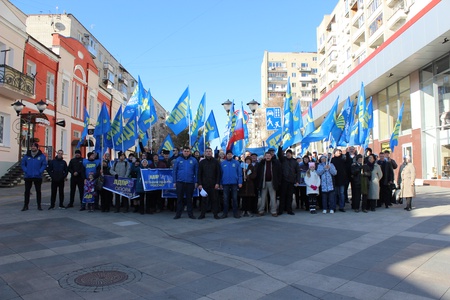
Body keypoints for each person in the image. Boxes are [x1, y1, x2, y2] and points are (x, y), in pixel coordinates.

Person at [173, 146, 198, 219]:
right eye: (185, 151)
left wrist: (196, 181)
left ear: (190, 152)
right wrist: (174, 181)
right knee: (179, 199)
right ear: (182, 151)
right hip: (180, 182)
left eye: (187, 151)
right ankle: (178, 214)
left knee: (189, 199)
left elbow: (196, 172)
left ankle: (190, 214)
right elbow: (174, 171)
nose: (186, 152)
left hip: (190, 182)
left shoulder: (194, 160)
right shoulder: (178, 160)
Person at [21, 142, 47, 211]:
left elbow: (44, 164)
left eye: (34, 146)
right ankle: (25, 205)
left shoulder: (41, 156)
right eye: (32, 146)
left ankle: (39, 205)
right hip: (28, 176)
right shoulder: (27, 156)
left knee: (38, 191)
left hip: (37, 176)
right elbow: (23, 164)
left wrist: (40, 171)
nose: (33, 148)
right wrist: (26, 170)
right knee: (27, 191)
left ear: (37, 148)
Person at [197, 147, 221, 219]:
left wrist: (217, 183)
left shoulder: (216, 161)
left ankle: (215, 214)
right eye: (207, 151)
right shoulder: (202, 162)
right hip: (204, 184)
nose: (208, 153)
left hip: (213, 184)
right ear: (205, 153)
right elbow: (199, 174)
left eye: (209, 151)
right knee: (204, 200)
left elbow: (218, 173)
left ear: (212, 153)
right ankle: (202, 214)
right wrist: (200, 184)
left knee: (214, 200)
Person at [256, 151, 281, 217]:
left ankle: (273, 211)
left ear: (271, 156)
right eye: (266, 156)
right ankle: (261, 210)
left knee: (273, 198)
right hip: (264, 182)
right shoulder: (261, 164)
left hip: (272, 182)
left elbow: (279, 173)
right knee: (263, 197)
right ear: (264, 157)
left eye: (269, 156)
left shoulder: (275, 163)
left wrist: (278, 182)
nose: (268, 157)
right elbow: (258, 174)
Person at [220, 150, 243, 219]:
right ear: (226, 155)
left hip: (234, 183)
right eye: (228, 154)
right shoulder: (222, 163)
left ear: (232, 155)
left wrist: (240, 182)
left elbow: (240, 174)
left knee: (235, 199)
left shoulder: (236, 163)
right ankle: (225, 213)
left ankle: (235, 213)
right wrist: (220, 183)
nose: (229, 155)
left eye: (230, 154)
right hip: (225, 183)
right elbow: (220, 174)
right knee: (226, 199)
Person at [277, 147, 300, 215]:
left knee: (290, 196)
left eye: (289, 154)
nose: (288, 155)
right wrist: (280, 147)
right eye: (287, 153)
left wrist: (297, 181)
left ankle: (289, 209)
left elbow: (298, 172)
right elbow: (279, 155)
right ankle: (281, 210)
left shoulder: (294, 162)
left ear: (291, 154)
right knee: (282, 196)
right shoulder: (283, 160)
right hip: (284, 180)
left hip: (291, 181)